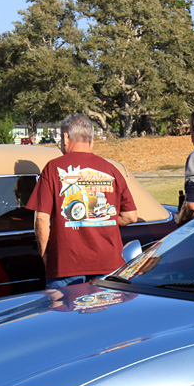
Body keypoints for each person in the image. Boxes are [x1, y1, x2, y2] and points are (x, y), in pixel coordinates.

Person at [27, 114, 137, 288]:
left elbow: (41, 219)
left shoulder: (53, 168)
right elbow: (131, 216)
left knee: (65, 314)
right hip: (108, 262)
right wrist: (100, 219)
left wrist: (45, 256)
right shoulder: (111, 169)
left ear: (65, 138)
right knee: (105, 314)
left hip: (65, 264)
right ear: (91, 141)